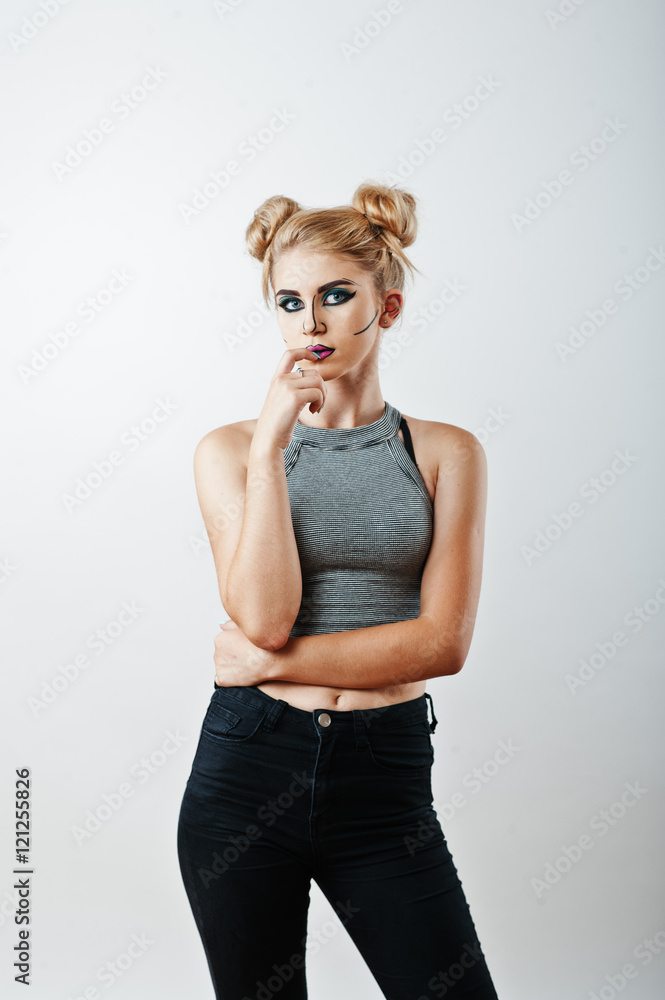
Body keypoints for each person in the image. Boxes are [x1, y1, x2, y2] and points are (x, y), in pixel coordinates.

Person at [177, 181, 500, 999]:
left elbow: (441, 644)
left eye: (335, 296)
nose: (311, 324)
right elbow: (264, 617)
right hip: (245, 773)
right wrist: (270, 448)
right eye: (290, 303)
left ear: (386, 308)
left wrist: (268, 666)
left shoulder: (445, 453)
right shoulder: (229, 450)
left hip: (382, 781)